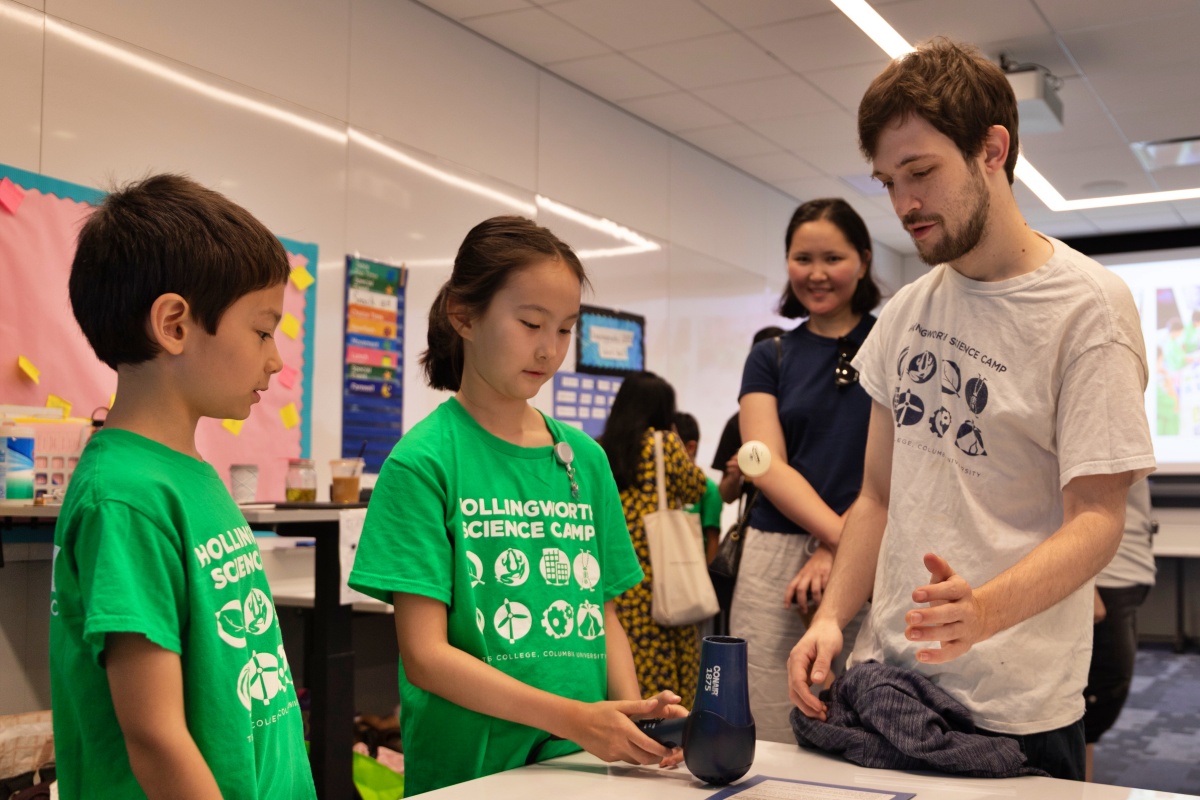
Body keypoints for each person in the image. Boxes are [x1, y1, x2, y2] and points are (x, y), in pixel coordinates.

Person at [788, 38, 1155, 781]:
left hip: (1016, 706)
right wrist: (832, 619)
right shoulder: (905, 313)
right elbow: (878, 497)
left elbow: (1097, 521)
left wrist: (983, 611)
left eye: (921, 172)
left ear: (993, 149)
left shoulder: (1089, 310)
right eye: (889, 181)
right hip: (890, 683)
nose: (904, 204)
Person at [347, 217, 684, 796]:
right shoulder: (424, 462)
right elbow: (425, 656)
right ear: (464, 315)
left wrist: (630, 718)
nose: (549, 348)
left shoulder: (583, 458)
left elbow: (601, 614)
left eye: (565, 329)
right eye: (530, 323)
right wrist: (575, 717)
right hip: (472, 772)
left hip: (579, 764)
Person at [49, 174, 315, 799]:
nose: (275, 359)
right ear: (174, 324)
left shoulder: (186, 471)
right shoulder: (125, 496)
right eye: (261, 329)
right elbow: (154, 734)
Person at [734, 198, 881, 743]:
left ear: (863, 261)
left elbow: (908, 463)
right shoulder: (770, 355)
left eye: (833, 258)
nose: (816, 274)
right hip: (776, 551)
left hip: (877, 548)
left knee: (867, 713)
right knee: (770, 712)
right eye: (802, 258)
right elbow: (764, 463)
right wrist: (841, 537)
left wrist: (842, 549)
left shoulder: (897, 346)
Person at [602, 373, 710, 708]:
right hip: (663, 567)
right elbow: (697, 488)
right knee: (673, 659)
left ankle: (637, 721)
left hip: (621, 568)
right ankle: (672, 733)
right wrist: (675, 437)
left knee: (632, 655)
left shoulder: (603, 447)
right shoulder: (663, 443)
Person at [1085, 477, 1156, 781]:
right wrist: (1085, 584)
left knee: (1095, 708)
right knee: (1092, 705)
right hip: (1105, 577)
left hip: (1127, 574)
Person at [712, 326, 785, 505]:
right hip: (755, 522)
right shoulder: (737, 423)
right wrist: (734, 475)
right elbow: (725, 496)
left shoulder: (803, 417)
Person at [673, 411, 722, 564]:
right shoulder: (662, 486)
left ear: (690, 447)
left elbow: (713, 539)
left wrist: (706, 580)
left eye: (671, 446)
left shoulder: (709, 489)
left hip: (692, 571)